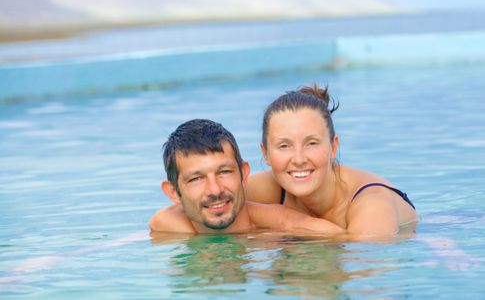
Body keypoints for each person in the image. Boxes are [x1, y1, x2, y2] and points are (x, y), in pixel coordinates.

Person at [245, 84, 419, 236]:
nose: (298, 159)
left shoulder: (372, 203)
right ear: (265, 153)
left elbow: (366, 258)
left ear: (333, 146)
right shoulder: (270, 187)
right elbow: (221, 207)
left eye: (311, 143)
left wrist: (287, 221)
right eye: (284, 146)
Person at [149, 118, 344, 234]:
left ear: (244, 174)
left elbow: (343, 241)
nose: (215, 189)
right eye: (196, 179)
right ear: (173, 192)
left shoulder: (281, 227)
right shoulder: (165, 229)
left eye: (224, 172)